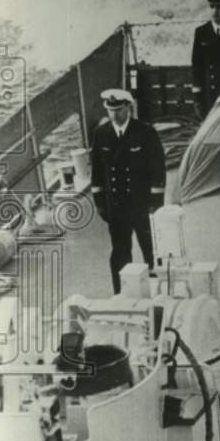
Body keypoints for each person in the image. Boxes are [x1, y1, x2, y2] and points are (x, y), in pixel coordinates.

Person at [90, 89, 166, 294]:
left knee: (151, 251)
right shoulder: (101, 134)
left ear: (128, 108)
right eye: (110, 110)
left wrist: (155, 204)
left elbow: (158, 169)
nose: (114, 114)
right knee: (120, 253)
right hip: (116, 207)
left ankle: (157, 291)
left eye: (118, 110)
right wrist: (99, 202)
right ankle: (122, 294)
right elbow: (97, 171)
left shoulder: (145, 132)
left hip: (142, 206)